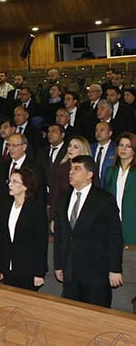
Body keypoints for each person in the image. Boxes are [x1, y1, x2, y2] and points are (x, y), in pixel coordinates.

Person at [54, 155, 123, 308]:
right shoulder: (63, 198)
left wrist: (115, 268)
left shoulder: (104, 199)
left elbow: (115, 235)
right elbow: (60, 235)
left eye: (77, 169)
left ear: (90, 174)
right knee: (71, 316)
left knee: (96, 318)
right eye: (71, 168)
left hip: (96, 273)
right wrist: (59, 264)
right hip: (70, 271)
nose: (71, 172)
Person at [0, 168, 48, 290]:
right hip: (8, 268)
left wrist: (39, 273)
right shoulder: (6, 206)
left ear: (25, 186)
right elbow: (2, 238)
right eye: (10, 181)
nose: (10, 184)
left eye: (15, 182)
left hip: (28, 270)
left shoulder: (36, 209)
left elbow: (40, 243)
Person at [104, 133, 136, 312]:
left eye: (128, 145)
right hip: (113, 228)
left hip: (132, 229)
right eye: (121, 145)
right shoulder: (111, 171)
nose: (123, 149)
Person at [48, 136, 95, 223]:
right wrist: (53, 218)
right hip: (64, 213)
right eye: (70, 146)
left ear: (83, 150)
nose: (70, 149)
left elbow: (95, 191)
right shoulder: (61, 168)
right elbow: (55, 195)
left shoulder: (90, 168)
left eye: (75, 147)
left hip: (87, 213)